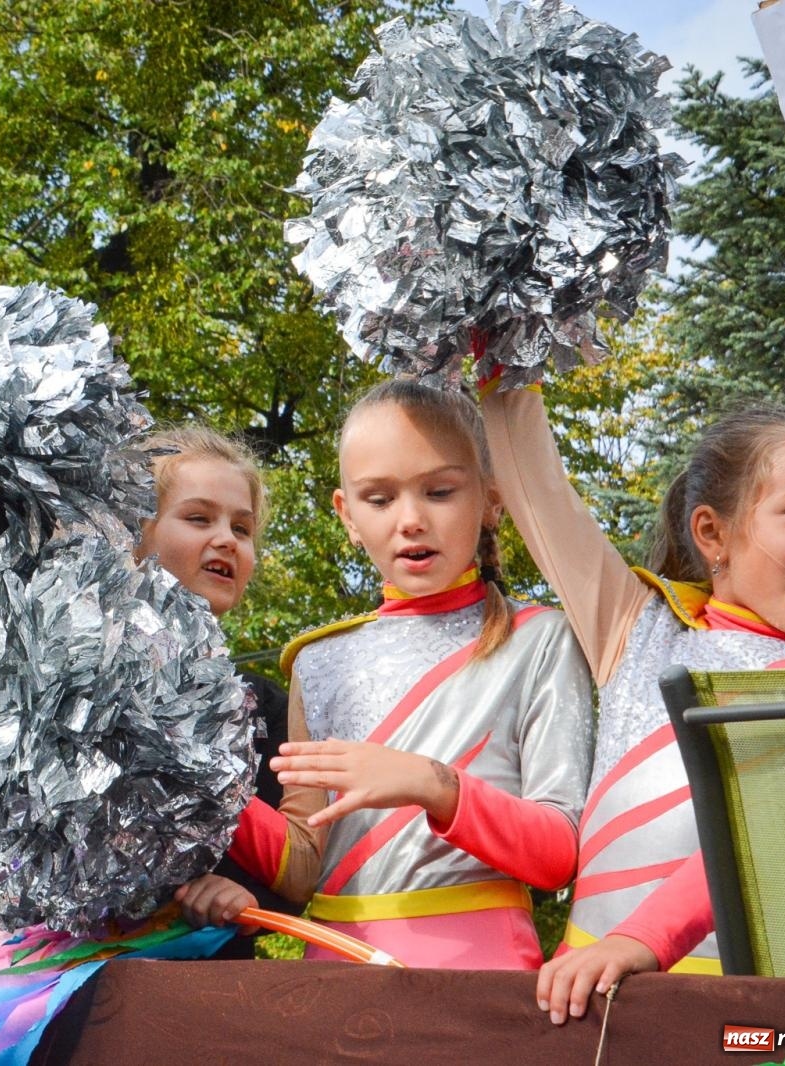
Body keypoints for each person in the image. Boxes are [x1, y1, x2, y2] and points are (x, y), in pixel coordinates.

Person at [481, 382, 785, 1020]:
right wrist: (502, 363)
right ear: (712, 532)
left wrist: (642, 938)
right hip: (596, 1012)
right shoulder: (636, 631)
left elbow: (770, 836)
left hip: (760, 1025)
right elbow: (540, 490)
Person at [218, 379, 594, 970]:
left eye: (439, 492)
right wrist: (200, 779)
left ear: (491, 500)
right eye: (379, 499)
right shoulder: (319, 660)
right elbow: (301, 870)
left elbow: (558, 855)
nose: (411, 519)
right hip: (336, 979)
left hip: (481, 978)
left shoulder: (539, 638)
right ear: (346, 514)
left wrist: (433, 784)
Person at [124, 426, 294, 943]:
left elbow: (300, 865)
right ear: (135, 534)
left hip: (205, 977)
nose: (226, 539)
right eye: (199, 518)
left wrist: (247, 898)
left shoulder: (268, 709)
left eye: (241, 528)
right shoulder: (65, 685)